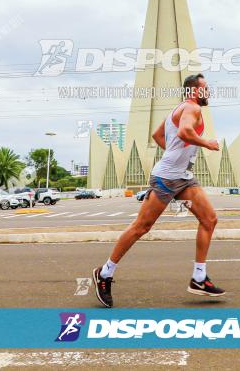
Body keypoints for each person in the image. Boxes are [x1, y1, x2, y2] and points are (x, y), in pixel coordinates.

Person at [92, 74, 225, 308]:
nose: (209, 92)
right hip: (166, 179)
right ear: (194, 91)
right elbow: (185, 132)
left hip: (183, 178)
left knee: (209, 219)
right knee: (141, 227)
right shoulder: (191, 109)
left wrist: (175, 156)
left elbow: (157, 135)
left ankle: (199, 278)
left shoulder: (179, 108)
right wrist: (208, 144)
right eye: (205, 88)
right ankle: (104, 274)